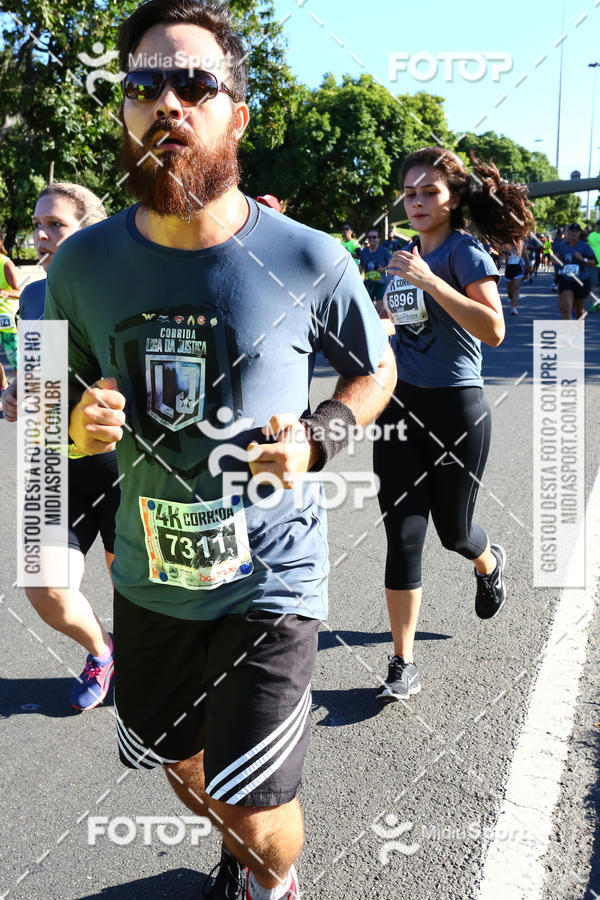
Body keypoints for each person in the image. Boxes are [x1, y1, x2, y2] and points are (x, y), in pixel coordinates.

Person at [44, 3, 396, 898]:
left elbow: (376, 368)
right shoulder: (76, 269)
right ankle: (238, 849)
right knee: (174, 758)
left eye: (194, 82)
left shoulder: (310, 256)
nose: (168, 100)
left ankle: (271, 882)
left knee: (260, 810)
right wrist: (73, 426)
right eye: (143, 84)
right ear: (123, 111)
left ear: (235, 113)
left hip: (271, 575)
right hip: (151, 574)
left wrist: (321, 437)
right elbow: (52, 398)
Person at [373, 146, 534, 703]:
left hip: (456, 409)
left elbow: (494, 330)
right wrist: (376, 327)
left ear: (452, 197)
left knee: (454, 533)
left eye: (428, 192)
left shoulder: (466, 253)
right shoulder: (403, 255)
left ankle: (488, 562)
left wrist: (431, 281)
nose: (416, 202)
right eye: (409, 192)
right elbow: (394, 323)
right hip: (400, 409)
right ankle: (402, 661)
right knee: (403, 535)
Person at [3, 183, 120, 711]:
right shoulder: (30, 294)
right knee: (45, 588)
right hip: (48, 458)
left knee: (137, 591)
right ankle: (102, 649)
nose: (42, 235)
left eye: (57, 224)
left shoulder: (119, 290)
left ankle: (147, 662)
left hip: (120, 466)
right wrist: (14, 393)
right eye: (37, 224)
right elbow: (39, 377)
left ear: (89, 232)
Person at [553, 222, 598, 319]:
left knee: (579, 309)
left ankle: (578, 331)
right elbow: (556, 259)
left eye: (576, 231)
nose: (574, 233)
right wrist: (555, 259)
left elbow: (594, 262)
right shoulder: (562, 245)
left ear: (579, 233)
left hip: (582, 280)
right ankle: (567, 332)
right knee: (566, 308)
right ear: (568, 232)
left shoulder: (585, 246)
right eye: (572, 231)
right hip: (566, 279)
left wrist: (583, 259)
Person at [0, 233, 21, 380]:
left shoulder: (6, 264)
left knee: (15, 360)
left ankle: (24, 391)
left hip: (6, 320)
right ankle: (3, 387)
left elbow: (18, 292)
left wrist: (1, 293)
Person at [359, 228, 390, 303]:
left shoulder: (384, 251)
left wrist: (383, 269)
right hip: (368, 284)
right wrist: (357, 275)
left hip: (381, 284)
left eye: (374, 237)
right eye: (369, 237)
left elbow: (391, 264)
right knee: (367, 308)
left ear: (379, 239)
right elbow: (361, 267)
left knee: (380, 309)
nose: (371, 239)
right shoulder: (364, 252)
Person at [500, 241, 529, 315]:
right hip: (509, 269)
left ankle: (514, 307)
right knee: (509, 291)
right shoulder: (507, 244)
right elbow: (502, 255)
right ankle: (512, 301)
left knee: (516, 287)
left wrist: (527, 269)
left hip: (518, 268)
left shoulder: (522, 245)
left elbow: (526, 257)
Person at [586, 220, 600, 311]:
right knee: (593, 286)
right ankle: (592, 304)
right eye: (599, 225)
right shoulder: (592, 236)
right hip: (594, 265)